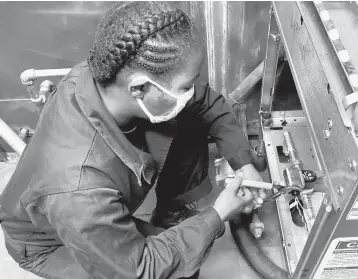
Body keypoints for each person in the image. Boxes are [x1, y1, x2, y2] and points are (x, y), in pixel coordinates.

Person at [0, 2, 266, 279]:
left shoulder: (103, 79)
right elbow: (141, 268)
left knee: (188, 120)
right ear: (138, 88)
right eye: (186, 86)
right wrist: (218, 215)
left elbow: (207, 103)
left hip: (83, 207)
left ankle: (171, 214)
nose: (192, 92)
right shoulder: (78, 190)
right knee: (179, 272)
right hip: (53, 242)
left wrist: (243, 162)